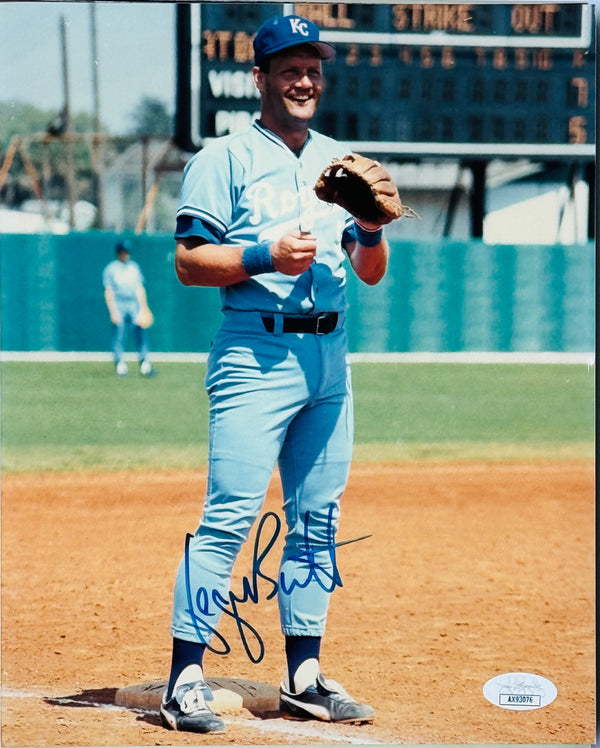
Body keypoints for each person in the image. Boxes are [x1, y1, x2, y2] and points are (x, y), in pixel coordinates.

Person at [162, 15, 393, 734]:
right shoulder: (223, 157)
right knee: (229, 515)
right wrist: (263, 255)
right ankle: (184, 679)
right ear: (258, 78)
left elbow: (372, 273)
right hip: (254, 352)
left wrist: (376, 230)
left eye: (313, 69)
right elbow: (189, 262)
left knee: (317, 520)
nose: (304, 81)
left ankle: (304, 675)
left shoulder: (340, 161)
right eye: (289, 69)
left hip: (330, 359)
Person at [102, 240, 155, 377]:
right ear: (118, 252)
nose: (125, 254)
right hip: (119, 302)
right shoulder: (111, 268)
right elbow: (109, 291)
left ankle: (145, 364)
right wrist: (112, 311)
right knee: (118, 334)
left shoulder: (134, 267)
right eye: (123, 251)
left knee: (140, 333)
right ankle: (120, 364)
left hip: (133, 303)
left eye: (126, 251)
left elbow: (139, 288)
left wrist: (144, 308)